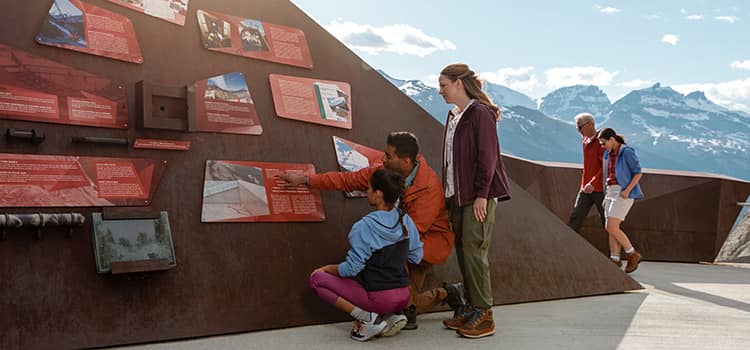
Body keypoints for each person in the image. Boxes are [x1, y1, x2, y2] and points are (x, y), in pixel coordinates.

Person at [279, 132, 462, 330]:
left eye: (388, 156)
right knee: (394, 303)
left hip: (424, 245)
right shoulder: (385, 173)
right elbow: (347, 180)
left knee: (403, 307)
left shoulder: (429, 188)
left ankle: (448, 293)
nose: (383, 159)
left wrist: (371, 239)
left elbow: (410, 235)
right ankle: (399, 307)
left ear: (405, 161)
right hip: (397, 242)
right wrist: (307, 180)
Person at [438, 63, 511, 339]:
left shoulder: (480, 114)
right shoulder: (455, 115)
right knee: (463, 251)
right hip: (457, 196)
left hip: (477, 197)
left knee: (475, 251)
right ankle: (471, 309)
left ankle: (485, 314)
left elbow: (488, 156)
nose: (440, 90)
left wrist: (482, 194)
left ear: (459, 83)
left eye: (444, 85)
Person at [308, 169, 423, 341]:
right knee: (365, 275)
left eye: (368, 189)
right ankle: (388, 316)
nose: (366, 192)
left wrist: (327, 268)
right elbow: (417, 257)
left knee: (316, 279)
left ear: (378, 194)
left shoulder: (364, 226)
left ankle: (367, 317)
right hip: (404, 295)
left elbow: (351, 269)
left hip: (381, 298)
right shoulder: (405, 219)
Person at [597, 128, 643, 273]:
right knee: (611, 229)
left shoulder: (627, 152)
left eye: (603, 143)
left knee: (611, 226)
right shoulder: (607, 154)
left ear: (612, 139)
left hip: (623, 192)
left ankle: (632, 253)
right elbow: (608, 176)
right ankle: (615, 259)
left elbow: (638, 173)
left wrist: (627, 190)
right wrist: (606, 195)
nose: (602, 146)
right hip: (610, 192)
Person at [568, 113, 606, 232]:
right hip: (585, 188)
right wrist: (585, 184)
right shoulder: (584, 141)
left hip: (600, 189)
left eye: (580, 127)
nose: (579, 131)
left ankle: (617, 250)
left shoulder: (601, 141)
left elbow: (605, 166)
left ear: (590, 124)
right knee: (576, 217)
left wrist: (594, 182)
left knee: (607, 221)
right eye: (577, 128)